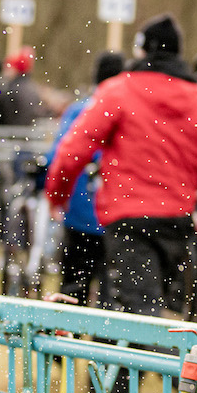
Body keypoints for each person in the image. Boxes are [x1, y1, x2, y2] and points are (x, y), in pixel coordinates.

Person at [46, 14, 197, 393]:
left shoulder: (119, 91)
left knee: (140, 315)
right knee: (169, 315)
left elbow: (74, 149)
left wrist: (57, 195)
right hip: (178, 218)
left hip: (129, 218)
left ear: (144, 50)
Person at [44, 51, 124, 305]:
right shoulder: (128, 114)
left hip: (80, 213)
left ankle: (68, 339)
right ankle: (106, 342)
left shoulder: (80, 111)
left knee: (73, 288)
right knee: (112, 296)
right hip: (115, 216)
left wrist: (54, 196)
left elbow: (60, 156)